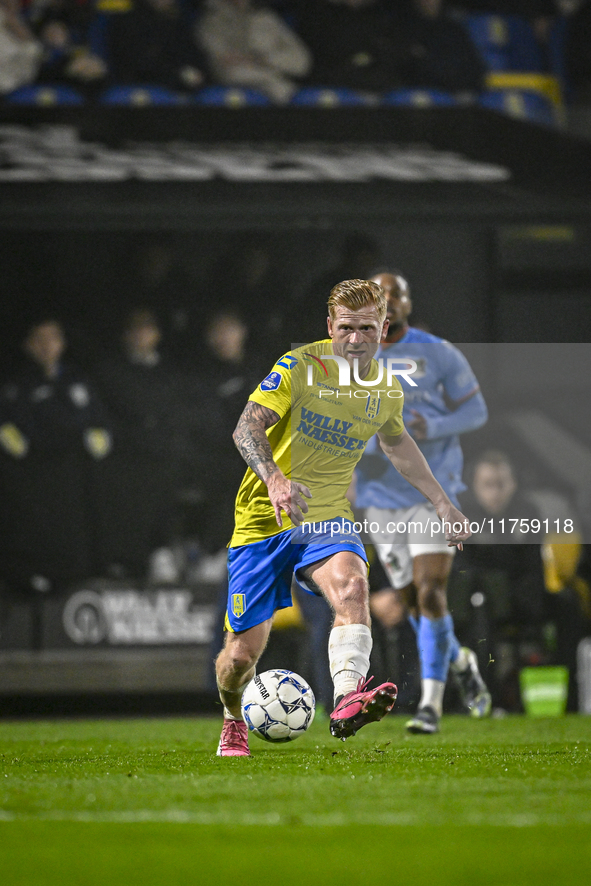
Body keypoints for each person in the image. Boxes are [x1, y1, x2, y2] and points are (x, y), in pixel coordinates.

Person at [215, 278, 472, 756]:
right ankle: (233, 717)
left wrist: (441, 501)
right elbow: (246, 427)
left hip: (326, 515)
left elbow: (397, 445)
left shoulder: (385, 388)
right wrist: (274, 479)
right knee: (240, 656)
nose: (356, 339)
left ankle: (347, 699)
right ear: (330, 326)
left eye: (367, 329)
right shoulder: (298, 366)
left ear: (384, 327)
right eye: (346, 328)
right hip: (262, 521)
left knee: (353, 587)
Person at [354, 270, 490, 734]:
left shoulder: (439, 353)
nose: (387, 302)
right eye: (378, 295)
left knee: (431, 591)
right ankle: (461, 659)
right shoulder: (349, 359)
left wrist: (434, 427)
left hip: (434, 491)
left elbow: (476, 411)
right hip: (380, 497)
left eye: (395, 295)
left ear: (408, 304)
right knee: (413, 604)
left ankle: (430, 707)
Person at [197, 0, 311, 104]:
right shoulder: (211, 23)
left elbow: (301, 62)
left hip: (277, 80)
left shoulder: (267, 19)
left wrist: (264, 60)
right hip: (248, 82)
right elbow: (225, 66)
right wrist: (272, 79)